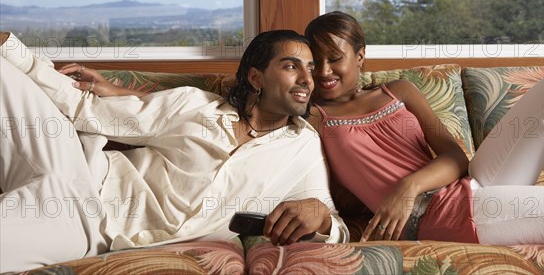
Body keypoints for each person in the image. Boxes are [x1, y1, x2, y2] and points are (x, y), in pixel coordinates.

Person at [0, 30, 349, 273]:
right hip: (78, 165)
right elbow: (84, 108)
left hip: (88, 221)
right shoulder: (194, 105)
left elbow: (336, 227)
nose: (307, 79)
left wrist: (318, 215)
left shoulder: (302, 147)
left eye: (310, 69)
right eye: (292, 66)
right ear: (257, 78)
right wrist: (14, 50)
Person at [304, 11, 544, 246]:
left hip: (474, 183)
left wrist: (409, 186)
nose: (324, 71)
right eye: (315, 63)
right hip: (444, 216)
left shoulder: (399, 91)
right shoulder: (315, 119)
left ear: (360, 56)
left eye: (334, 58)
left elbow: (455, 157)